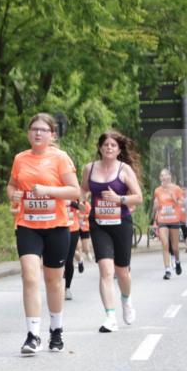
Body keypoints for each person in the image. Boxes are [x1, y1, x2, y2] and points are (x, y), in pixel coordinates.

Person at [7, 113, 81, 355]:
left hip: (57, 227)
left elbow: (74, 191)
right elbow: (12, 185)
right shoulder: (20, 159)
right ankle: (33, 335)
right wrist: (14, 195)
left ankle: (56, 330)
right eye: (34, 129)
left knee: (53, 281)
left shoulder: (60, 158)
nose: (38, 133)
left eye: (43, 130)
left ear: (52, 135)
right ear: (29, 133)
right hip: (28, 225)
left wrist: (48, 190)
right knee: (29, 276)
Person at [80, 131, 144, 332]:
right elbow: (83, 190)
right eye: (105, 144)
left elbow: (138, 197)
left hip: (121, 223)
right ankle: (110, 317)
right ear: (100, 148)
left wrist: (119, 199)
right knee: (105, 270)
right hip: (99, 224)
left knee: (122, 272)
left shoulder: (124, 170)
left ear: (118, 150)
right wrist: (78, 202)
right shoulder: (89, 168)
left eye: (113, 145)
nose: (109, 148)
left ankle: (126, 300)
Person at [151, 169, 185, 279]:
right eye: (162, 175)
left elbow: (181, 203)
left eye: (166, 175)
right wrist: (155, 206)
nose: (164, 177)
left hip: (174, 219)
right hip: (162, 220)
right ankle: (167, 270)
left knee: (175, 247)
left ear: (170, 177)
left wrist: (174, 198)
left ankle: (177, 261)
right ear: (160, 178)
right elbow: (155, 207)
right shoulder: (157, 190)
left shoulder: (176, 189)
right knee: (165, 244)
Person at [64, 198, 82, 301]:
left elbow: (82, 207)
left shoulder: (74, 193)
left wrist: (71, 202)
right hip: (58, 228)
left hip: (72, 229)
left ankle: (67, 288)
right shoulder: (54, 189)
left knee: (69, 259)